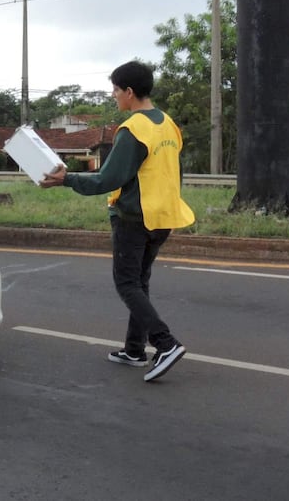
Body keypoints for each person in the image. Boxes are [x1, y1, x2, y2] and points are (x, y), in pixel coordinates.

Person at [40, 61, 195, 382]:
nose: (113, 96)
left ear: (129, 92)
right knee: (140, 282)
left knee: (127, 284)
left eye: (114, 90)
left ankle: (165, 343)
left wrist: (66, 180)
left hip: (134, 218)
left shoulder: (133, 129)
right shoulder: (168, 124)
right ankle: (134, 349)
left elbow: (107, 179)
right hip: (163, 216)